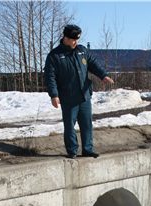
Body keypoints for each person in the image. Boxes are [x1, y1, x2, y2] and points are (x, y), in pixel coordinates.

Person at [44, 24, 114, 159]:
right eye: (73, 40)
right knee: (70, 126)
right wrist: (54, 95)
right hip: (68, 97)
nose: (76, 42)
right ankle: (72, 150)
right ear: (66, 38)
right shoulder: (55, 56)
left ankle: (88, 149)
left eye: (77, 39)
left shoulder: (82, 51)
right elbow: (50, 77)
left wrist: (103, 75)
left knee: (87, 124)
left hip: (84, 95)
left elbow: (93, 64)